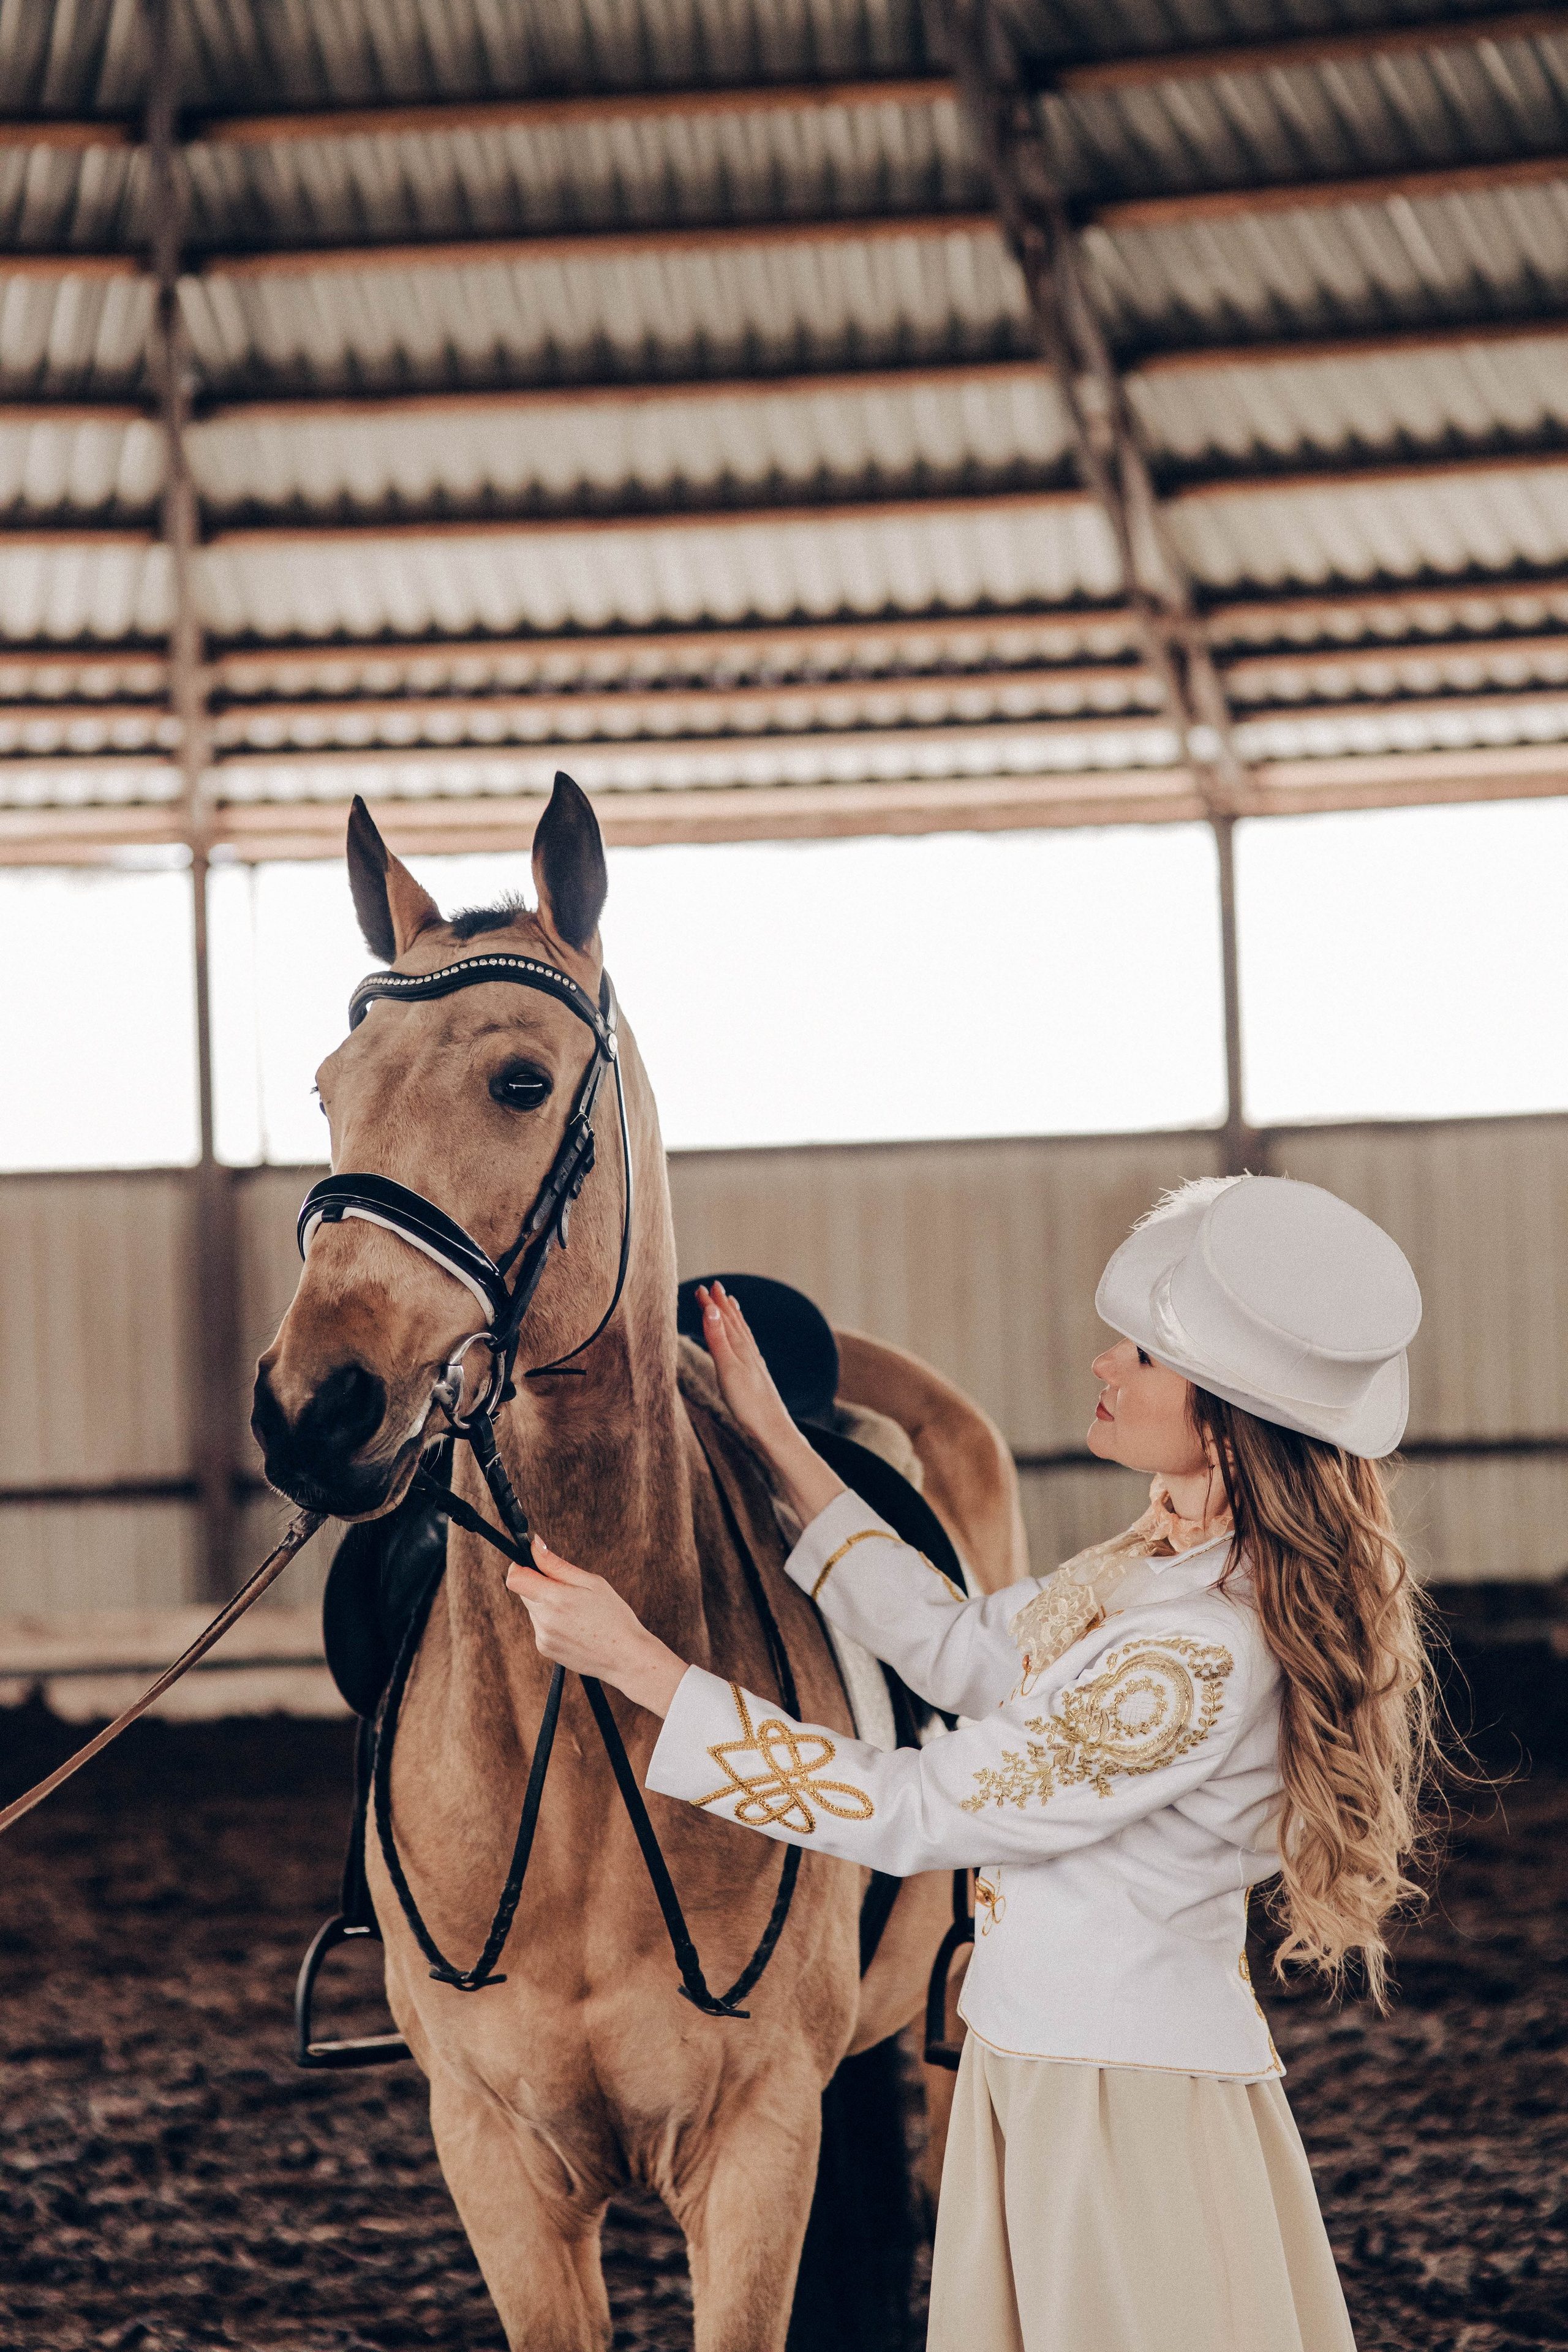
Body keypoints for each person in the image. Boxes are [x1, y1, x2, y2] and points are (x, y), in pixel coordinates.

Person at [505, 1174, 1441, 2352]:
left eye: (1144, 1357)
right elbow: (954, 1648)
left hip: (1116, 2101)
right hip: (1045, 2061)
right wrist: (778, 1441)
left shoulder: (1190, 1655)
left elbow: (917, 1812)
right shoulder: (1154, 1571)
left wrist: (643, 1668)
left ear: (1228, 1421)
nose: (1105, 1365)